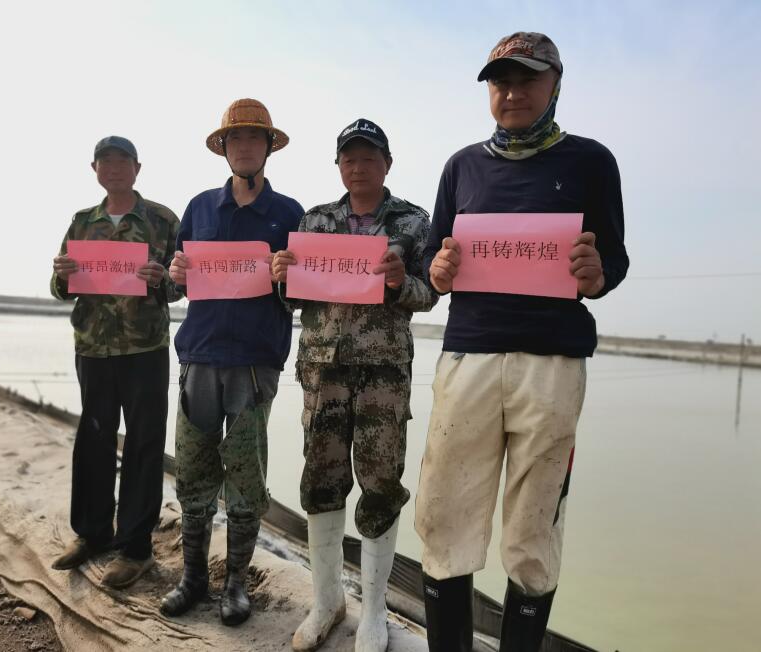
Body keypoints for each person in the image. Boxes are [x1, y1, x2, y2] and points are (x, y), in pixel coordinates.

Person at [414, 32, 629, 651]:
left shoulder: (592, 161)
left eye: (527, 79)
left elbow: (613, 259)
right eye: (500, 82)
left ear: (555, 84)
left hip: (552, 362)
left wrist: (596, 274)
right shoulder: (461, 166)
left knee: (535, 523)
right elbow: (433, 257)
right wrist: (438, 270)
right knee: (444, 514)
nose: (512, 93)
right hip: (469, 358)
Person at [271, 119, 437, 652]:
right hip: (323, 367)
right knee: (321, 478)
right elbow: (295, 297)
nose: (358, 167)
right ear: (339, 166)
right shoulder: (314, 220)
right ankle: (326, 602)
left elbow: (430, 291)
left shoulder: (413, 221)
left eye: (368, 158)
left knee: (380, 483)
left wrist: (400, 282)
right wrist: (282, 276)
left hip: (384, 371)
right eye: (349, 159)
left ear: (387, 164)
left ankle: (375, 611)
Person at [160, 99, 304, 626]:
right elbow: (177, 286)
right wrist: (175, 275)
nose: (244, 147)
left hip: (253, 362)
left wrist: (288, 276)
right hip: (199, 355)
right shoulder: (199, 208)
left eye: (253, 138)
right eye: (235, 139)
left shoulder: (290, 214)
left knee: (246, 476)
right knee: (193, 471)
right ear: (224, 148)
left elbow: (301, 297)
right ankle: (193, 577)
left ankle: (237, 583)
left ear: (268, 147)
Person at [50, 136, 180, 589]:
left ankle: (136, 548)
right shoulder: (82, 221)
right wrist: (62, 275)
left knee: (144, 443)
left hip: (144, 349)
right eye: (106, 162)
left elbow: (181, 285)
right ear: (95, 170)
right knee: (94, 439)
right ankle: (92, 534)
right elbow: (60, 286)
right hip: (93, 346)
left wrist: (162, 279)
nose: (115, 168)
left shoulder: (162, 220)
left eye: (123, 161)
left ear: (137, 168)